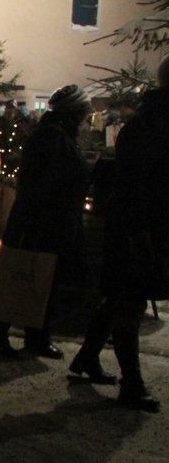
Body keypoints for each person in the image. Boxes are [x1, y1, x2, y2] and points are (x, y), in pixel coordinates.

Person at [70, 57, 169, 412]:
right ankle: (133, 384)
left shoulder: (153, 122)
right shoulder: (150, 127)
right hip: (137, 230)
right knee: (128, 301)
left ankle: (86, 357)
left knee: (121, 297)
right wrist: (141, 235)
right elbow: (137, 188)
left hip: (145, 228)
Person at [0, 85, 92, 358]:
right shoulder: (53, 137)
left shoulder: (54, 133)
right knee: (27, 276)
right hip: (42, 222)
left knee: (37, 278)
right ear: (74, 113)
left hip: (42, 220)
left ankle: (31, 334)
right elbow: (51, 180)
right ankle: (6, 332)